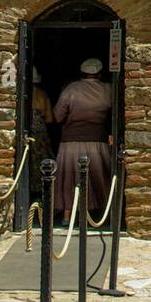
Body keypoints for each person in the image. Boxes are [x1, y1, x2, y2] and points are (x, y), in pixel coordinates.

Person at [53, 57, 113, 217]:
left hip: (71, 142)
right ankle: (100, 214)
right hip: (97, 142)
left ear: (81, 72)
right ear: (100, 73)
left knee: (70, 177)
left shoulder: (71, 89)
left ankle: (68, 214)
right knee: (98, 178)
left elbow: (58, 115)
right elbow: (115, 115)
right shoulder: (108, 89)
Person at [29, 67, 54, 199]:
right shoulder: (43, 95)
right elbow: (50, 119)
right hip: (41, 136)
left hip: (27, 137)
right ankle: (42, 196)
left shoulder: (22, 95)